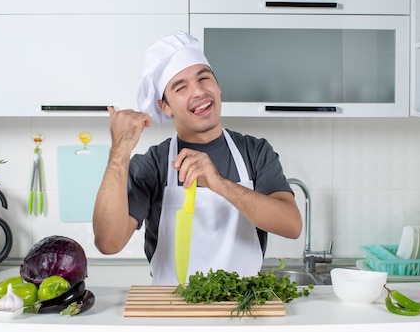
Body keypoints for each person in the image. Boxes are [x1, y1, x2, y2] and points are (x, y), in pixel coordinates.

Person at [92, 31, 302, 285]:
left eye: (204, 79)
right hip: (172, 314)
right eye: (181, 87)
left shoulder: (255, 152)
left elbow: (292, 226)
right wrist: (119, 151)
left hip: (244, 314)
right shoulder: (153, 164)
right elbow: (108, 242)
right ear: (165, 107)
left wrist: (219, 183)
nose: (199, 92)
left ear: (218, 86)